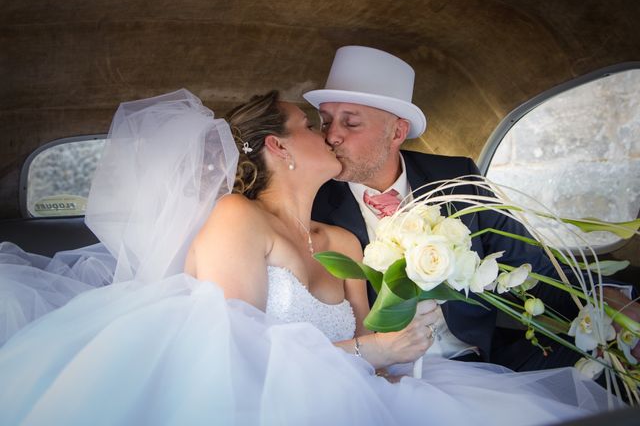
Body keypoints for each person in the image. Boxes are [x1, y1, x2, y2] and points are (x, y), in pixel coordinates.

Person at [0, 89, 623, 425]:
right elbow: (227, 352)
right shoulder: (234, 221)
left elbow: (372, 352)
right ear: (279, 145)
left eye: (339, 124)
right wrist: (368, 353)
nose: (328, 135)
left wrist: (403, 338)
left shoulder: (343, 242)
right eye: (313, 124)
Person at [307, 45, 640, 371]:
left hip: (476, 359)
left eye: (350, 123)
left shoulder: (456, 177)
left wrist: (610, 301)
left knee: (606, 364)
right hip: (381, 370)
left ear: (397, 131)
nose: (331, 136)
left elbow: (536, 267)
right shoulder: (314, 200)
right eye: (325, 122)